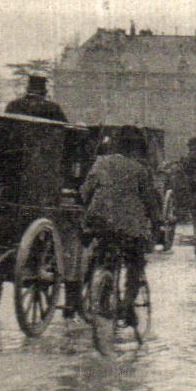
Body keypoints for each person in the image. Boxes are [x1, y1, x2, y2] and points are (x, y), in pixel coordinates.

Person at [79, 125, 161, 324]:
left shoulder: (100, 163)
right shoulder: (141, 170)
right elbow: (150, 201)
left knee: (98, 253)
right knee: (135, 262)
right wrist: (157, 223)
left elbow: (85, 192)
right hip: (128, 227)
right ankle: (127, 304)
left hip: (99, 222)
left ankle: (86, 288)